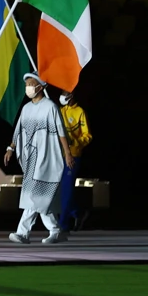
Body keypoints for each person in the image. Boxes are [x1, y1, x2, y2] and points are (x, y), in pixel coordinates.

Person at [5, 73, 72, 244]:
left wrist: (67, 153)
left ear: (40, 87)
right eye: (27, 83)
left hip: (47, 158)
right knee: (38, 196)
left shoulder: (50, 107)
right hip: (31, 159)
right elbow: (18, 130)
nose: (28, 87)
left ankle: (23, 232)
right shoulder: (26, 108)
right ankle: (55, 230)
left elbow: (61, 131)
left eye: (31, 83)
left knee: (36, 195)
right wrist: (10, 148)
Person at [58, 88, 93, 231]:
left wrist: (75, 142)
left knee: (66, 189)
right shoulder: (60, 111)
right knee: (60, 191)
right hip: (59, 156)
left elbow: (88, 136)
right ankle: (78, 213)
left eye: (65, 94)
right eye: (62, 94)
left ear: (71, 96)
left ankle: (62, 225)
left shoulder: (80, 112)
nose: (62, 97)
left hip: (73, 156)